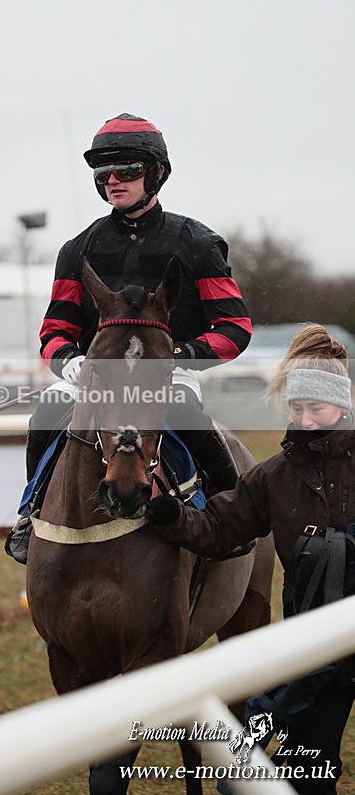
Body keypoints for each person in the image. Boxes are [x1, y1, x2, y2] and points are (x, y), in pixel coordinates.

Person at [6, 112, 252, 563]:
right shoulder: (77, 249)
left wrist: (182, 356)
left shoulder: (198, 242)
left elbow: (236, 327)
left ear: (156, 173)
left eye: (128, 171)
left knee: (187, 415)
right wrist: (69, 361)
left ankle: (231, 517)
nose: (114, 181)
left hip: (170, 370)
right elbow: (54, 331)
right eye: (104, 174)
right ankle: (30, 514)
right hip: (96, 373)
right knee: (47, 411)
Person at [145, 323, 355, 795]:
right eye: (297, 408)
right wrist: (172, 517)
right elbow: (220, 528)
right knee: (308, 771)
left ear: (342, 405)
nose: (304, 419)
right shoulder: (274, 476)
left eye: (315, 408)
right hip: (312, 637)